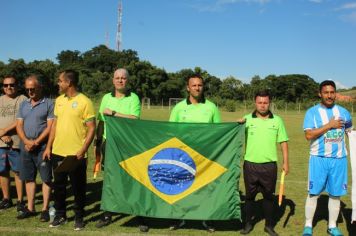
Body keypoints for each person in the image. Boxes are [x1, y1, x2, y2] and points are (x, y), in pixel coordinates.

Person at [43, 69, 95, 231]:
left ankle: (79, 217)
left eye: (60, 81)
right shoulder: (58, 100)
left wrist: (83, 149)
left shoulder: (85, 101)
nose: (58, 83)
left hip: (76, 154)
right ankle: (60, 215)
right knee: (58, 186)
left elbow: (92, 128)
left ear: (69, 83)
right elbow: (55, 126)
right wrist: (49, 146)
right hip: (58, 152)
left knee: (78, 187)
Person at [93, 68, 144, 231]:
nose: (120, 80)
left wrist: (114, 113)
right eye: (117, 78)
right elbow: (101, 121)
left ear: (127, 81)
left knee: (132, 179)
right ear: (113, 80)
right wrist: (98, 142)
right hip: (110, 144)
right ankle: (107, 213)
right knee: (110, 179)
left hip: (128, 144)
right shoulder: (106, 98)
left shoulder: (134, 98)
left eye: (123, 78)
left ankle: (139, 214)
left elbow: (135, 120)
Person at [169, 74, 220, 232]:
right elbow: (171, 131)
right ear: (188, 87)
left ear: (203, 87)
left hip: (205, 156)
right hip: (183, 156)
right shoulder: (178, 108)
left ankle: (206, 219)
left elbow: (219, 132)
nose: (197, 88)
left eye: (200, 85)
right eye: (194, 85)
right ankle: (179, 218)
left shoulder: (211, 107)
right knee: (181, 186)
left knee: (206, 188)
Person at [302, 80, 352, 236]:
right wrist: (329, 125)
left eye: (332, 92)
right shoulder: (312, 112)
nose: (329, 96)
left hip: (339, 159)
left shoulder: (344, 112)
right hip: (319, 158)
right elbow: (308, 135)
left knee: (336, 194)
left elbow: (350, 132)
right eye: (326, 92)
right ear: (320, 94)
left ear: (335, 93)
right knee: (313, 193)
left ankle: (332, 226)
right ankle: (308, 225)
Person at [240, 90, 289, 236]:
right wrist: (236, 125)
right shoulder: (246, 119)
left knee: (268, 197)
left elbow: (283, 143)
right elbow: (233, 136)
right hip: (250, 165)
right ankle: (248, 224)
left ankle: (269, 226)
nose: (262, 105)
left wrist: (286, 162)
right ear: (255, 103)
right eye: (260, 102)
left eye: (265, 102)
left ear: (270, 103)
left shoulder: (277, 120)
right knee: (249, 197)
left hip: (269, 166)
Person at [16, 75, 54, 221]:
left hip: (42, 146)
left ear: (40, 87)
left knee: (46, 178)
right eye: (27, 89)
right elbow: (19, 125)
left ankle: (45, 209)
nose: (30, 92)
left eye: (33, 89)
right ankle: (30, 208)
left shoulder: (49, 103)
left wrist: (37, 142)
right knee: (29, 178)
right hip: (25, 146)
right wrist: (26, 141)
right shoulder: (24, 104)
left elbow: (50, 126)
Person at [0, 76, 27, 213]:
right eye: (5, 85)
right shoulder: (0, 100)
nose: (8, 87)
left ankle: (20, 200)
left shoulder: (23, 100)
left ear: (17, 85)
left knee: (18, 171)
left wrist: (5, 130)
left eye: (11, 85)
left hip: (16, 142)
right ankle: (6, 198)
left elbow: (20, 120)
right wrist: (2, 134)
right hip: (0, 142)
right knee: (2, 171)